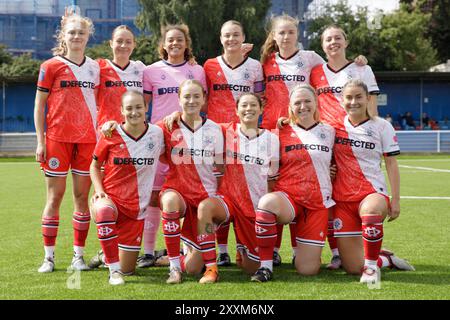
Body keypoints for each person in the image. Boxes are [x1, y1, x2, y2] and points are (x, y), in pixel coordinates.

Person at [261, 16, 368, 266]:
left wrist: (358, 63)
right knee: (277, 188)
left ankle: (335, 251)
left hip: (312, 131)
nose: (286, 37)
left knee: (324, 187)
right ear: (274, 37)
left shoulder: (310, 58)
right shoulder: (264, 62)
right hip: (275, 131)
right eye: (281, 33)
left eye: (290, 32)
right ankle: (273, 251)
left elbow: (334, 68)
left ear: (297, 34)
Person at [310, 24, 380, 270]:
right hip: (323, 142)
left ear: (346, 42)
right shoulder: (315, 70)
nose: (333, 42)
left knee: (351, 196)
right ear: (322, 45)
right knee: (329, 197)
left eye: (337, 38)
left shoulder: (361, 68)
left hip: (352, 142)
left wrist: (373, 140)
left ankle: (368, 252)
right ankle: (338, 253)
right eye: (328, 39)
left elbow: (371, 105)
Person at [34, 10, 99, 273]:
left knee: (82, 197)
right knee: (55, 196)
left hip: (88, 142)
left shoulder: (97, 67)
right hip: (57, 140)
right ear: (64, 35)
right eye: (71, 32)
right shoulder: (49, 66)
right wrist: (41, 140)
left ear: (88, 36)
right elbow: (40, 105)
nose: (76, 37)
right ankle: (48, 258)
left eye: (81, 33)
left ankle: (78, 256)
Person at [190, 93, 279, 283]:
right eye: (244, 105)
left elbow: (273, 179)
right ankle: (211, 269)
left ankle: (242, 251)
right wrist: (173, 116)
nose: (249, 109)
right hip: (227, 201)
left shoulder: (272, 139)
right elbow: (193, 121)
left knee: (249, 268)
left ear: (261, 109)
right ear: (236, 110)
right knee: (192, 266)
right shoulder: (224, 130)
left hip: (252, 208)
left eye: (253, 105)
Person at [138, 24, 207, 268]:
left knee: (187, 196)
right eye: (170, 40)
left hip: (188, 143)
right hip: (159, 141)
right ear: (164, 44)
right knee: (155, 197)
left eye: (179, 40)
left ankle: (186, 249)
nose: (175, 43)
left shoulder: (196, 71)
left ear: (186, 44)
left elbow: (201, 105)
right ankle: (148, 251)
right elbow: (142, 106)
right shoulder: (150, 71)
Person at [333, 80, 414, 285]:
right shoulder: (333, 126)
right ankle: (385, 259)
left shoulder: (381, 126)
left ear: (368, 98)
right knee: (352, 267)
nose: (353, 102)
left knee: (370, 213)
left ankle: (371, 269)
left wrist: (395, 200)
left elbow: (392, 164)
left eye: (359, 97)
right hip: (342, 199)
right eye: (348, 97)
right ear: (341, 100)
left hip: (371, 192)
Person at [252, 84, 335, 282]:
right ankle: (265, 267)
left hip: (317, 204)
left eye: (307, 101)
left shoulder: (331, 131)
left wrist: (333, 170)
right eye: (297, 102)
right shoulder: (279, 133)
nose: (303, 106)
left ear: (316, 103)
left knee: (307, 270)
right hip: (289, 198)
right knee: (266, 203)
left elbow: (341, 160)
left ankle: (381, 255)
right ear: (290, 107)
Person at [203, 20, 264, 266]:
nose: (231, 39)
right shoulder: (209, 66)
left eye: (236, 35)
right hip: (216, 138)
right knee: (218, 190)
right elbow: (202, 99)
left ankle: (243, 246)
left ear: (243, 38)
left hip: (245, 139)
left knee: (243, 192)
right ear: (220, 38)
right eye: (227, 35)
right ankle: (221, 249)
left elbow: (260, 99)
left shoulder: (255, 66)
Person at [90, 91, 164, 285]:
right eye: (129, 108)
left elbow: (180, 126)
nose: (134, 112)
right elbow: (95, 166)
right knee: (104, 210)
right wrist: (98, 190)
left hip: (137, 210)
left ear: (146, 108)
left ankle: (105, 256)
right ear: (121, 111)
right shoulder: (111, 133)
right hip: (111, 201)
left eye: (138, 107)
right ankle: (113, 272)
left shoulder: (157, 133)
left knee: (128, 270)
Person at [88, 25, 147, 269]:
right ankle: (90, 251)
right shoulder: (98, 67)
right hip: (107, 141)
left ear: (134, 45)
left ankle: (147, 250)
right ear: (110, 43)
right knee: (98, 198)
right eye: (118, 41)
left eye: (128, 41)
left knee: (141, 194)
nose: (123, 45)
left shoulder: (141, 69)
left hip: (136, 141)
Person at [158, 79, 223, 284]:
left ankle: (176, 257)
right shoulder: (166, 126)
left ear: (204, 99)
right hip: (178, 193)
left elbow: (220, 168)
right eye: (186, 96)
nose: (192, 100)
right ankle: (174, 268)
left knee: (194, 268)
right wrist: (112, 124)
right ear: (178, 100)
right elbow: (137, 129)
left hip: (205, 199)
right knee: (169, 202)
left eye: (196, 96)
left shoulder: (215, 129)